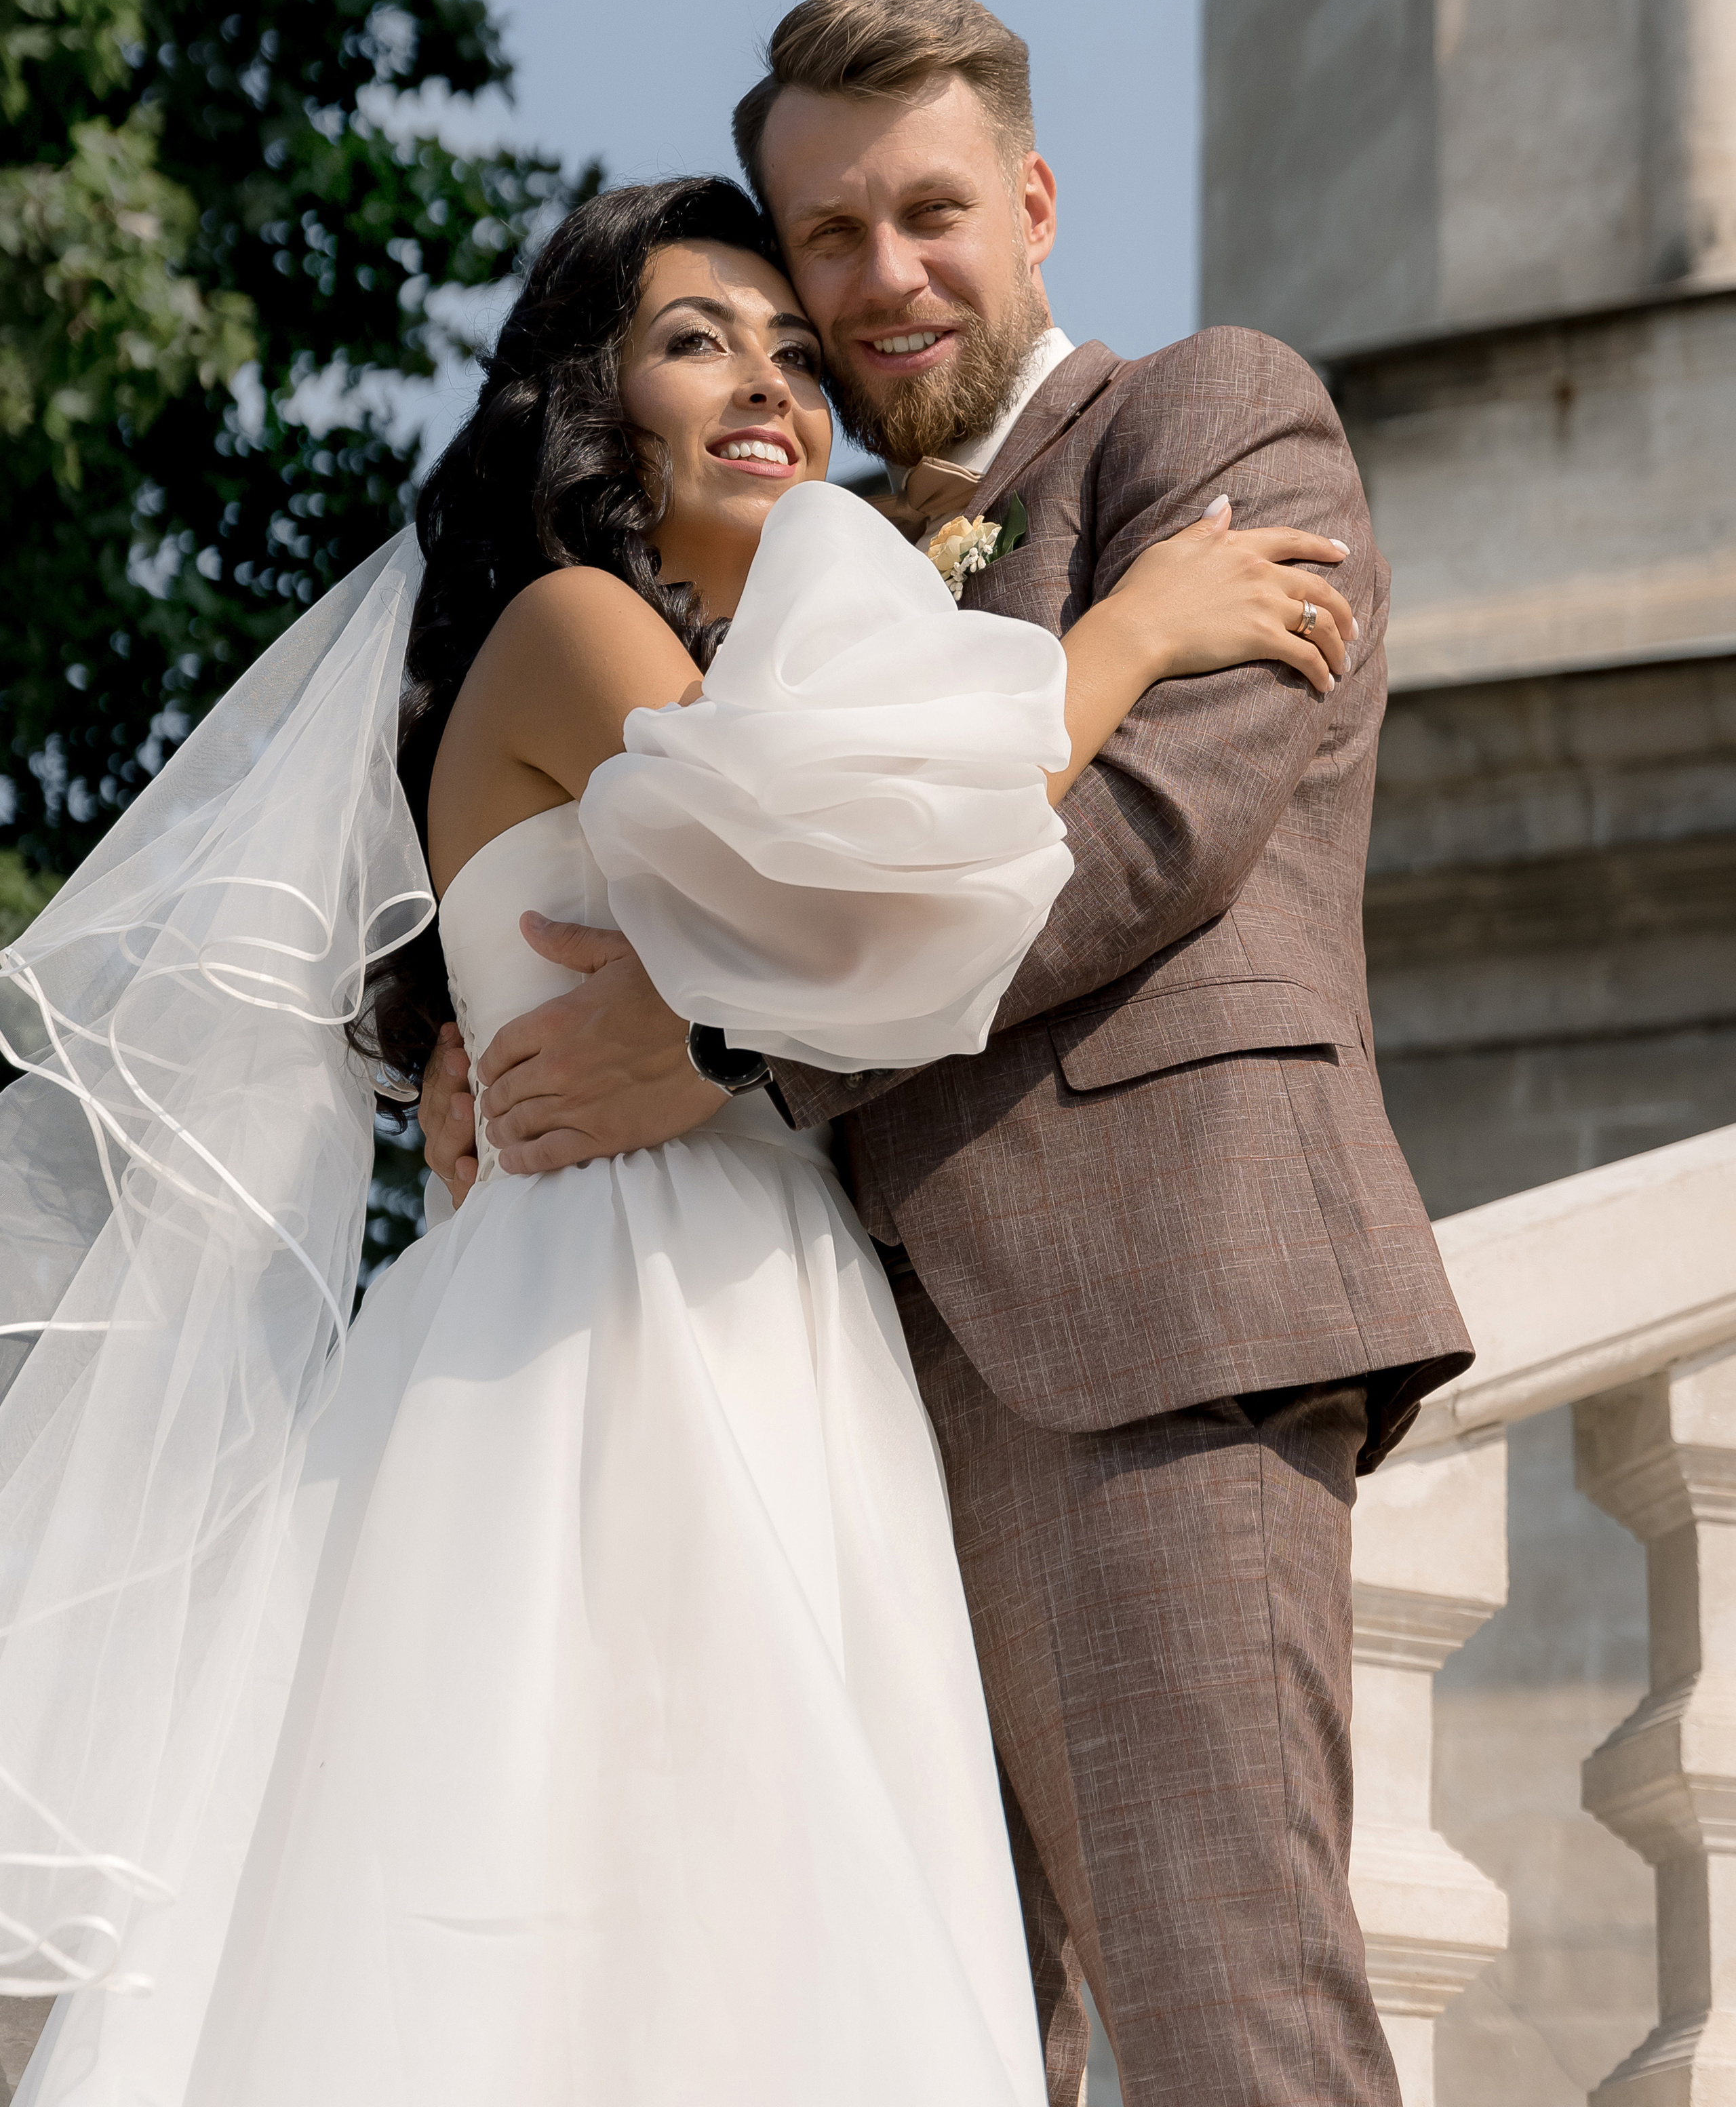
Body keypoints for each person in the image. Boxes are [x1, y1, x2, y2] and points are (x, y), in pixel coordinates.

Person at [0, 176, 1358, 2106]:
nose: (769, 385)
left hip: (777, 1303)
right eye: (694, 340)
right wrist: (1134, 628)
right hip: (607, 1330)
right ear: (589, 403)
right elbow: (852, 847)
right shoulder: (571, 630)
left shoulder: (724, 658)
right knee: (614, 1881)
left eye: (795, 355)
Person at [421, 0, 1477, 2107]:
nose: (878, 282)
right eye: (824, 242)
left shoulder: (1217, 418)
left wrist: (725, 1051)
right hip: (832, 1390)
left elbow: (1141, 840)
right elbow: (628, 828)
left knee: (1225, 2019)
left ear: (1037, 201)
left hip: (1146, 1333)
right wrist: (460, 1034)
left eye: (929, 215)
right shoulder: (796, 572)